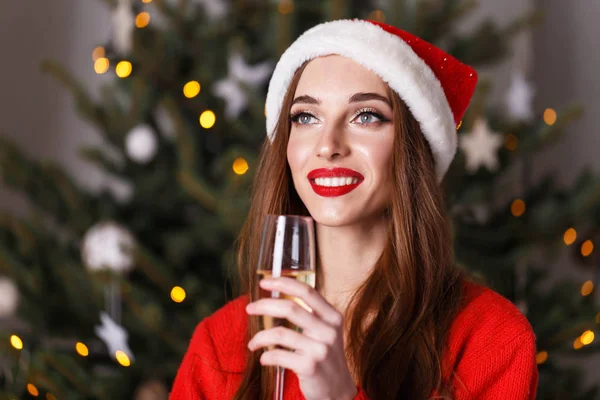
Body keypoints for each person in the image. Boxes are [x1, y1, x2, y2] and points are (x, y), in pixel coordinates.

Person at [170, 19, 538, 400]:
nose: (328, 144)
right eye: (305, 117)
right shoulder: (219, 341)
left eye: (367, 116)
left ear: (412, 150)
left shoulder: (492, 338)